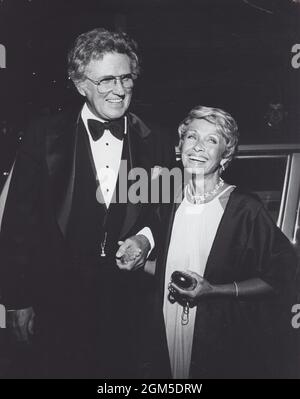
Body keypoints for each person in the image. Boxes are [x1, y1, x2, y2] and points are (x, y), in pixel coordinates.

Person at [0, 28, 174, 378]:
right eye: (107, 79)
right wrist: (16, 301)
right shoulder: (43, 135)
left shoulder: (156, 138)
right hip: (57, 302)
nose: (120, 89)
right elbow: (18, 223)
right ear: (81, 84)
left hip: (131, 306)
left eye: (126, 78)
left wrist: (145, 239)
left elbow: (164, 211)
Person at [150, 105, 298, 379]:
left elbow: (281, 277)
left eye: (212, 140)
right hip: (168, 325)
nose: (198, 147)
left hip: (219, 335)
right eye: (192, 137)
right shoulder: (168, 202)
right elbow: (162, 267)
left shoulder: (244, 208)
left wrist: (214, 290)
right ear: (179, 145)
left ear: (225, 156)